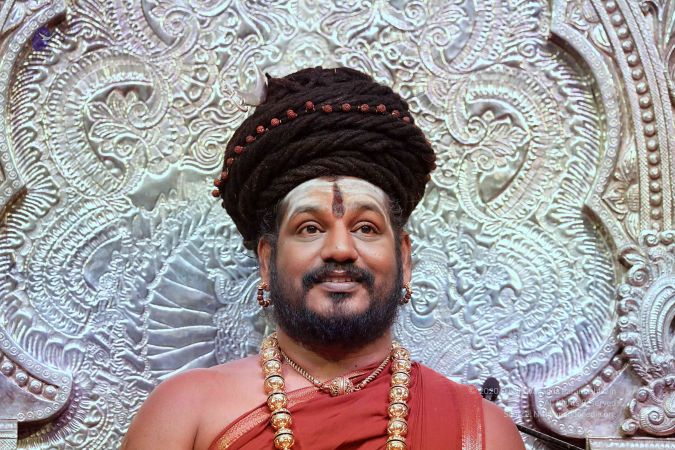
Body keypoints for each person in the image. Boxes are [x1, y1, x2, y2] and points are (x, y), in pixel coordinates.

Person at [122, 67, 525, 450]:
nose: (340, 249)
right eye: (310, 228)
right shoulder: (186, 413)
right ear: (267, 260)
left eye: (365, 227)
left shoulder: (481, 431)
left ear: (404, 258)